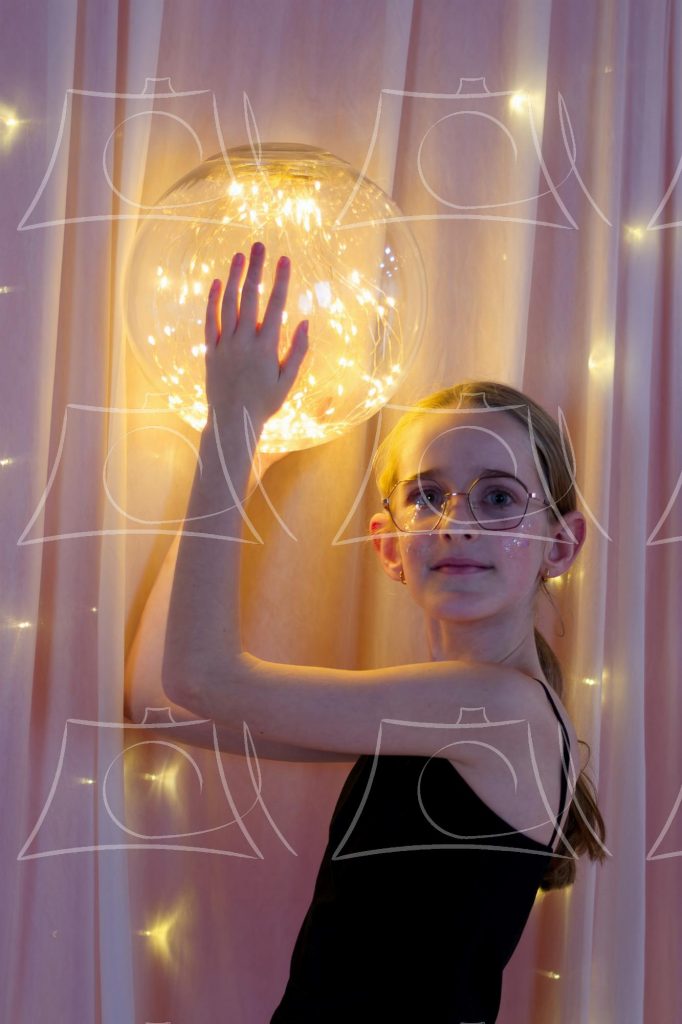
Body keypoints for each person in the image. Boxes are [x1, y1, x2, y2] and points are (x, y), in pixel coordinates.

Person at [159, 241, 607, 1022]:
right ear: (389, 545)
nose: (458, 521)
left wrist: (234, 421)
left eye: (499, 498)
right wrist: (248, 461)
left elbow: (199, 677)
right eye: (427, 496)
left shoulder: (495, 710)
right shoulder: (423, 719)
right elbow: (165, 693)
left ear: (560, 546)